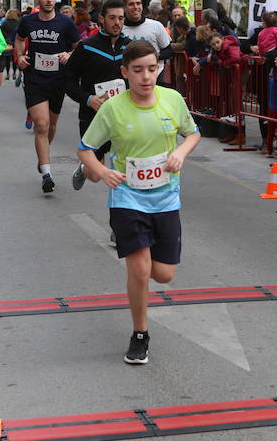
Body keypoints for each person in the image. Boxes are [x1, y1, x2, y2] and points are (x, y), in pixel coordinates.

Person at [77, 40, 200, 365]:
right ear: (124, 73)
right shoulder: (112, 108)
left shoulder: (172, 100)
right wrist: (103, 171)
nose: (146, 76)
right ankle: (140, 334)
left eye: (152, 68)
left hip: (166, 198)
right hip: (127, 197)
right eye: (138, 70)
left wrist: (180, 153)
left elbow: (194, 133)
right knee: (141, 268)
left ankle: (141, 323)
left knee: (164, 274)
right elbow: (85, 148)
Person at [15, 0, 81, 192]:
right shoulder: (28, 21)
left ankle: (42, 156)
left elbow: (78, 48)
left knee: (51, 126)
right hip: (34, 79)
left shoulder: (66, 23)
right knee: (41, 125)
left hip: (57, 80)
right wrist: (19, 57)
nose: (49, 0)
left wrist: (69, 55)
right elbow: (18, 39)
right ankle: (47, 173)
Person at [65, 0, 130, 191]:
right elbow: (67, 80)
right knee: (94, 175)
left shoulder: (131, 47)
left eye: (120, 18)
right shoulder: (87, 46)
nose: (117, 22)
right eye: (112, 18)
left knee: (128, 167)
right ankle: (85, 168)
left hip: (124, 115)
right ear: (102, 19)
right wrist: (88, 99)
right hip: (94, 115)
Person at [121, 0, 172, 77]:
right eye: (131, 4)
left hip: (156, 76)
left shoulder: (156, 26)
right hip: (129, 78)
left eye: (138, 3)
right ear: (124, 7)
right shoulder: (119, 29)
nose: (135, 7)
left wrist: (150, 58)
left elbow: (168, 51)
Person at [0, 8, 21, 87]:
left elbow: (1, 33)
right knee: (15, 59)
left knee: (7, 59)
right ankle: (15, 73)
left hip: (7, 43)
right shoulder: (18, 23)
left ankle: (8, 74)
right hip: (16, 42)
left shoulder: (4, 23)